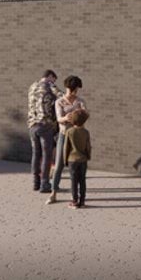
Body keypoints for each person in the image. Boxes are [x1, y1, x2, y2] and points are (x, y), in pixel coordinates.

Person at [48, 75, 87, 204]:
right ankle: (53, 192)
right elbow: (59, 118)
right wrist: (67, 118)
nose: (73, 93)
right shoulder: (60, 101)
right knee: (59, 164)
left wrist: (79, 115)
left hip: (76, 136)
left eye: (75, 90)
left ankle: (74, 196)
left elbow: (85, 114)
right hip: (64, 135)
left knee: (74, 166)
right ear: (66, 88)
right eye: (71, 90)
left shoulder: (80, 101)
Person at [26, 70, 60, 193]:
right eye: (54, 79)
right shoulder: (50, 86)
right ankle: (45, 183)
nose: (54, 82)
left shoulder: (32, 86)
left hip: (32, 124)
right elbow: (62, 98)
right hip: (45, 124)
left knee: (36, 153)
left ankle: (36, 182)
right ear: (50, 76)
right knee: (47, 154)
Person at [65, 110, 91, 209]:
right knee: (82, 180)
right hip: (83, 159)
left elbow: (66, 147)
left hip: (72, 159)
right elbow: (88, 147)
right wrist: (88, 156)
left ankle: (74, 201)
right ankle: (82, 201)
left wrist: (65, 160)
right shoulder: (86, 132)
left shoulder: (70, 131)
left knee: (73, 181)